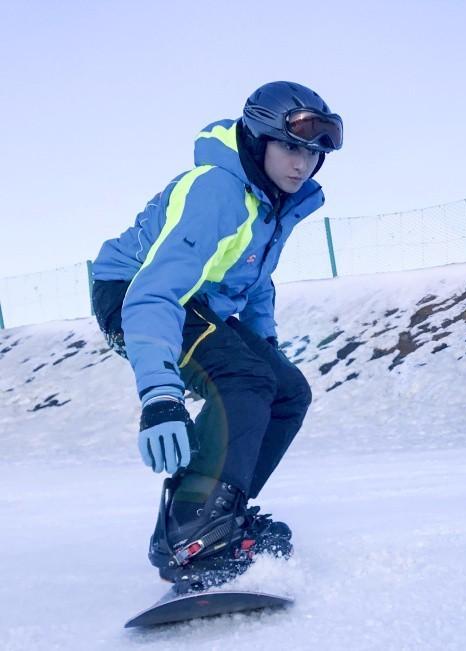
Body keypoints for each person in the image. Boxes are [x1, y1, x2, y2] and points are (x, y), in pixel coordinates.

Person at [90, 81, 343, 593]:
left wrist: (265, 346)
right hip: (133, 292)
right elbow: (154, 293)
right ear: (259, 139)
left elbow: (250, 280)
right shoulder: (216, 190)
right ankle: (191, 533)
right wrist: (160, 396)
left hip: (193, 302)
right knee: (244, 382)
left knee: (287, 391)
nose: (302, 164)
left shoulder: (272, 202)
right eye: (291, 147)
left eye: (313, 153)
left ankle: (222, 517)